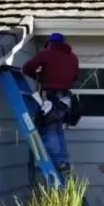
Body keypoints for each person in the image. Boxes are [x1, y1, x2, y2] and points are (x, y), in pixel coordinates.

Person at [22, 32, 80, 171]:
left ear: (50, 43)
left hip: (51, 97)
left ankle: (58, 161)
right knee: (58, 130)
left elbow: (27, 68)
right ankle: (63, 160)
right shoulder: (72, 57)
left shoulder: (47, 53)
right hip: (65, 99)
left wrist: (38, 75)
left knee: (50, 131)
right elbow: (75, 76)